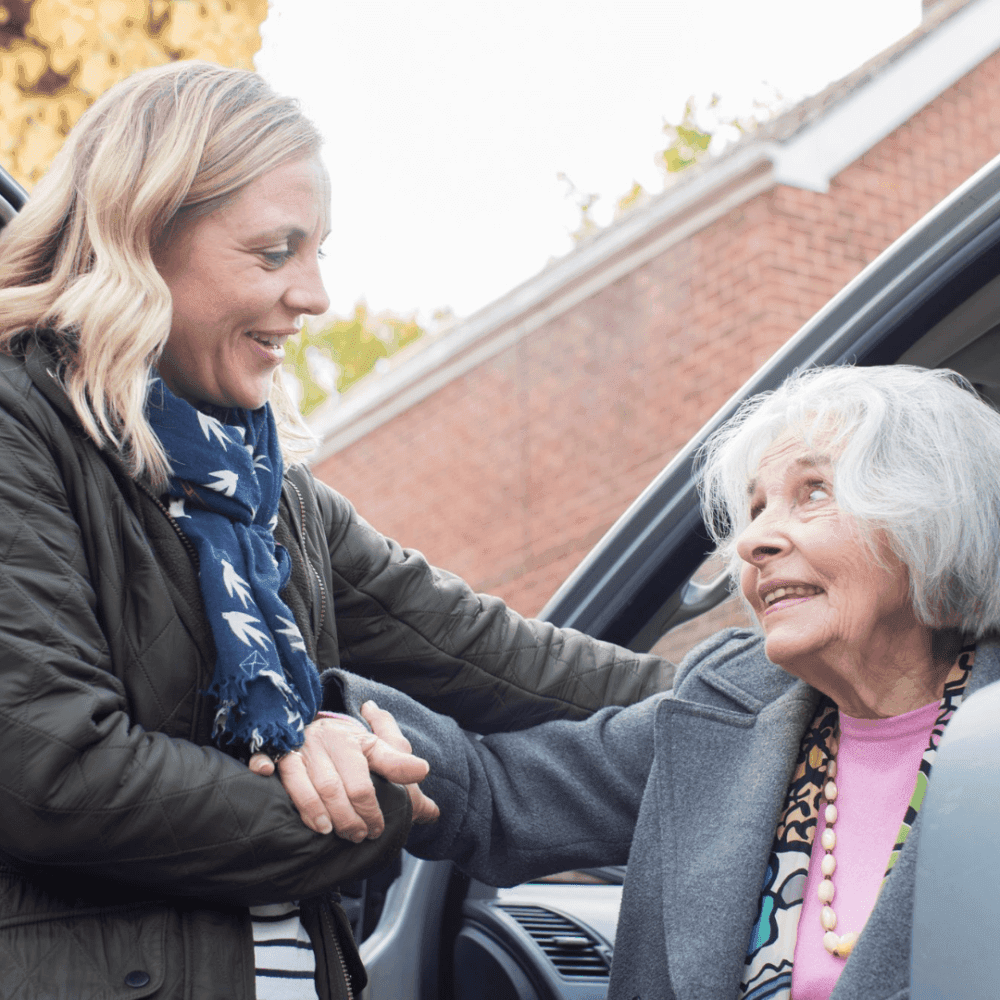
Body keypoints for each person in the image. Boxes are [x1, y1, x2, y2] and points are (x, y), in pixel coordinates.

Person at [0, 62, 670, 1000]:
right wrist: (380, 801)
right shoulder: (20, 427)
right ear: (143, 239)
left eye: (318, 252)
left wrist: (783, 693)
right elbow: (54, 775)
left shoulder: (271, 498)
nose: (314, 295)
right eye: (275, 253)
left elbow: (503, 663)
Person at [330, 364, 1000, 1000]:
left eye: (812, 492)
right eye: (756, 508)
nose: (753, 542)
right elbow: (497, 796)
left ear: (931, 517)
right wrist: (335, 730)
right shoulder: (732, 704)